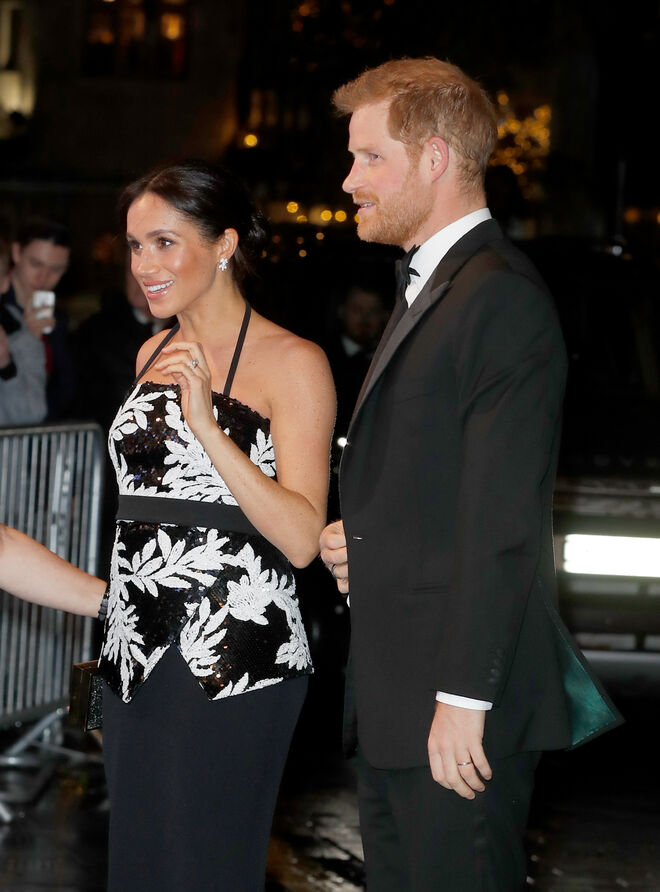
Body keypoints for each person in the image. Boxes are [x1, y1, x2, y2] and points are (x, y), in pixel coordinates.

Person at [319, 57, 622, 892]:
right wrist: (362, 542)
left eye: (369, 157)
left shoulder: (499, 299)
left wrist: (465, 701)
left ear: (436, 159)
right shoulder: (438, 289)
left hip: (452, 712)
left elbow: (503, 522)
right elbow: (436, 489)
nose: (349, 180)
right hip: (397, 702)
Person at [1, 159, 336, 892]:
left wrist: (207, 425)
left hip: (234, 656)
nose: (142, 266)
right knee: (140, 869)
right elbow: (146, 512)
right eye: (132, 245)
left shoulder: (294, 362)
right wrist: (115, 610)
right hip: (133, 654)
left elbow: (303, 538)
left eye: (162, 243)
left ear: (223, 244)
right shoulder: (152, 351)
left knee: (203, 870)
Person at [0, 218, 74, 425]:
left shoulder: (57, 319)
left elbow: (65, 388)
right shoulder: (4, 309)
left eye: (56, 269)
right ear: (16, 253)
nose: (43, 277)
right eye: (36, 264)